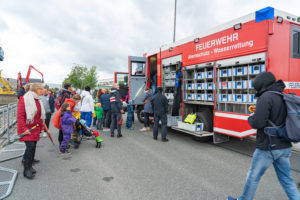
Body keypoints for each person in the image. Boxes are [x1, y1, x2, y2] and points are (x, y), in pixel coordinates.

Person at [228, 72, 300, 200]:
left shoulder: (266, 97)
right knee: (287, 180)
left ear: (261, 86)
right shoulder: (282, 95)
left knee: (253, 177)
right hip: (284, 146)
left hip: (268, 147)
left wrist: (251, 118)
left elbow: (257, 122)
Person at [17, 83, 45, 179]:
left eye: (42, 88)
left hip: (35, 128)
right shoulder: (24, 99)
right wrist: (24, 129)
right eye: (39, 88)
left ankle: (30, 166)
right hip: (27, 129)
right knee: (30, 147)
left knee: (33, 147)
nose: (42, 90)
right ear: (34, 89)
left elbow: (40, 116)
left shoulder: (38, 100)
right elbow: (20, 116)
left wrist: (41, 127)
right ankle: (26, 169)